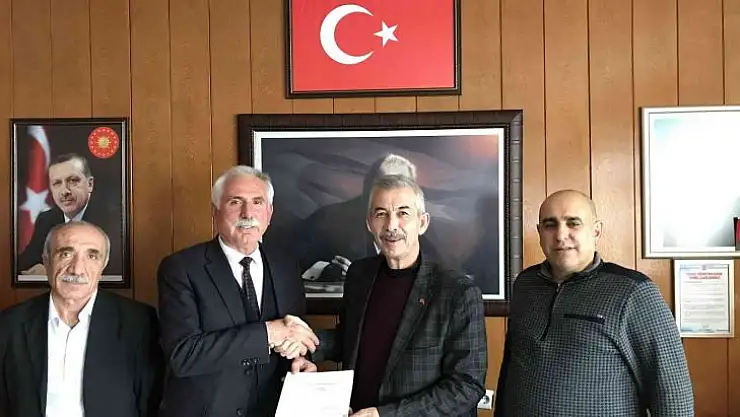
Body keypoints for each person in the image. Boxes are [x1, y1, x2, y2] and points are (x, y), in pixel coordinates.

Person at [291, 174, 487, 417]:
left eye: (403, 213)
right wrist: (306, 349)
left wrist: (384, 415)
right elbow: (351, 338)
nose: (391, 225)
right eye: (381, 213)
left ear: (422, 222)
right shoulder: (360, 274)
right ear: (369, 223)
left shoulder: (458, 292)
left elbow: (466, 387)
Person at [494, 189, 694, 417]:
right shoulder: (525, 284)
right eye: (550, 225)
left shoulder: (634, 292)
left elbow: (673, 394)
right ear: (540, 232)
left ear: (596, 230)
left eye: (573, 223)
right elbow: (510, 368)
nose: (560, 235)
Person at [156, 165, 320, 417]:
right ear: (215, 212)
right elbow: (183, 355)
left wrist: (300, 359)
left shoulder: (286, 266)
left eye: (257, 202)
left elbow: (293, 335)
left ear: (269, 213)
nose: (248, 213)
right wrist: (268, 333)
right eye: (235, 202)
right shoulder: (181, 268)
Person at [0, 220, 164, 417]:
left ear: (103, 265)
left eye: (92, 256)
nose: (77, 269)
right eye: (65, 254)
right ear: (46, 260)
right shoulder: (10, 323)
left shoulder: (138, 322)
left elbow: (151, 403)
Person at [299, 154, 441, 287]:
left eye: (399, 186)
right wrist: (332, 271)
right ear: (367, 187)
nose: (391, 226)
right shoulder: (326, 219)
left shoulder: (421, 230)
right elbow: (299, 265)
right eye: (385, 184)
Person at [17, 153, 122, 276]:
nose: (65, 191)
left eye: (73, 181)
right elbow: (23, 264)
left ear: (90, 184)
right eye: (57, 183)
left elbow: (115, 270)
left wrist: (52, 271)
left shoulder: (114, 220)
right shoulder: (46, 219)